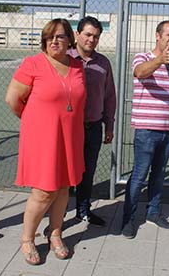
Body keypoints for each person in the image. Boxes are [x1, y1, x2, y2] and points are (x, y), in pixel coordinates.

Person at [5, 19, 86, 264]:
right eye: (49, 36)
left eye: (60, 36)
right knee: (43, 191)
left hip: (69, 137)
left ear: (70, 39)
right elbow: (12, 99)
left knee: (63, 188)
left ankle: (55, 232)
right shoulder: (33, 64)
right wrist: (33, 119)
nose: (54, 41)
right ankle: (27, 239)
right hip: (43, 138)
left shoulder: (77, 66)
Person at [121, 20, 169, 239]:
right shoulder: (143, 57)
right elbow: (140, 73)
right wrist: (159, 60)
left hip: (168, 129)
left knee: (158, 175)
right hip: (147, 129)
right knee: (139, 175)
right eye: (168, 35)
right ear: (157, 35)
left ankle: (153, 213)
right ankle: (128, 219)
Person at [68, 16, 116, 226]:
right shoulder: (64, 58)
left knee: (88, 172)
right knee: (65, 173)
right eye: (87, 34)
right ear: (77, 34)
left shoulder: (103, 63)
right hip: (68, 128)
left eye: (96, 36)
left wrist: (109, 125)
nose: (91, 40)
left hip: (93, 127)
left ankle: (83, 210)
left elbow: (109, 96)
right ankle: (57, 215)